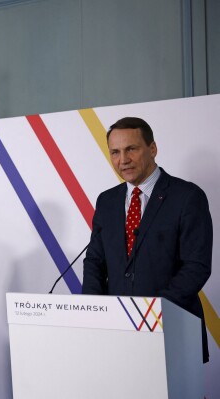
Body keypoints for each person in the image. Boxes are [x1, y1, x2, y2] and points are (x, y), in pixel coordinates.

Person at [82, 117, 212, 362]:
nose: (123, 160)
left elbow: (196, 266)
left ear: (152, 149)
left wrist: (151, 312)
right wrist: (93, 312)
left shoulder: (187, 197)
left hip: (173, 332)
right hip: (116, 335)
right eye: (115, 152)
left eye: (131, 149)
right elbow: (95, 262)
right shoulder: (107, 201)